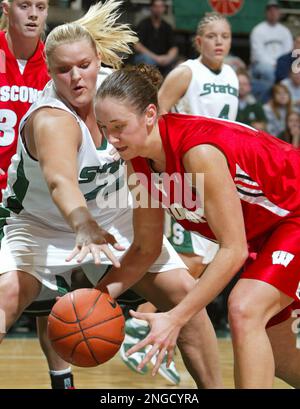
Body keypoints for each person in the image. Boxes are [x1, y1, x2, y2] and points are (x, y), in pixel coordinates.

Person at [0, 0, 223, 390]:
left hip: (112, 214)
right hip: (38, 224)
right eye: (63, 70)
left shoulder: (117, 91)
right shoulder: (52, 118)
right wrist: (82, 221)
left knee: (185, 296)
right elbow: (60, 182)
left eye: (84, 65)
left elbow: (157, 141)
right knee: (4, 299)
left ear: (98, 60)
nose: (75, 78)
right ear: (48, 73)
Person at [95, 64, 300, 388]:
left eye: (119, 126)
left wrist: (176, 317)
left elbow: (233, 250)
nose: (112, 138)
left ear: (150, 115)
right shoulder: (136, 163)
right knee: (280, 354)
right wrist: (97, 300)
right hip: (265, 233)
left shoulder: (198, 152)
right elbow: (146, 248)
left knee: (244, 308)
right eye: (104, 128)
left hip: (293, 215)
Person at [120, 13, 238, 374]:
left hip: (216, 174)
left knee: (205, 262)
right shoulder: (186, 72)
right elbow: (158, 116)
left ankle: (154, 325)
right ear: (198, 42)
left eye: (225, 36)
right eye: (211, 37)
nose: (219, 43)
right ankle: (145, 324)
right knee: (195, 261)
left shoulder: (232, 75)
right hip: (181, 175)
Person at [0, 0, 76, 389]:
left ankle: (62, 382)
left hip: (36, 202)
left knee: (54, 306)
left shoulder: (57, 64)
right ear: (6, 8)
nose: (34, 14)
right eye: (25, 5)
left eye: (42, 7)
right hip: (6, 200)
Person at [250, 0, 293, 102]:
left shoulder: (285, 31)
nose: (273, 13)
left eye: (275, 10)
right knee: (269, 71)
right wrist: (274, 64)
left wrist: (280, 64)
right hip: (261, 65)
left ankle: (287, 100)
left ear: (279, 13)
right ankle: (269, 101)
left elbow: (288, 51)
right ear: (266, 13)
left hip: (281, 64)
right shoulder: (258, 30)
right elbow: (258, 53)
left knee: (293, 71)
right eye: (270, 11)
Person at [133, 0, 178, 76]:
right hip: (147, 57)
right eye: (156, 6)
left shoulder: (167, 27)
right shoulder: (143, 24)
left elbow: (174, 48)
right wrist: (156, 58)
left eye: (161, 6)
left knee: (179, 63)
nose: (158, 9)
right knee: (146, 60)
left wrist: (168, 58)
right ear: (151, 8)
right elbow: (137, 45)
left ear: (164, 8)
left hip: (163, 58)